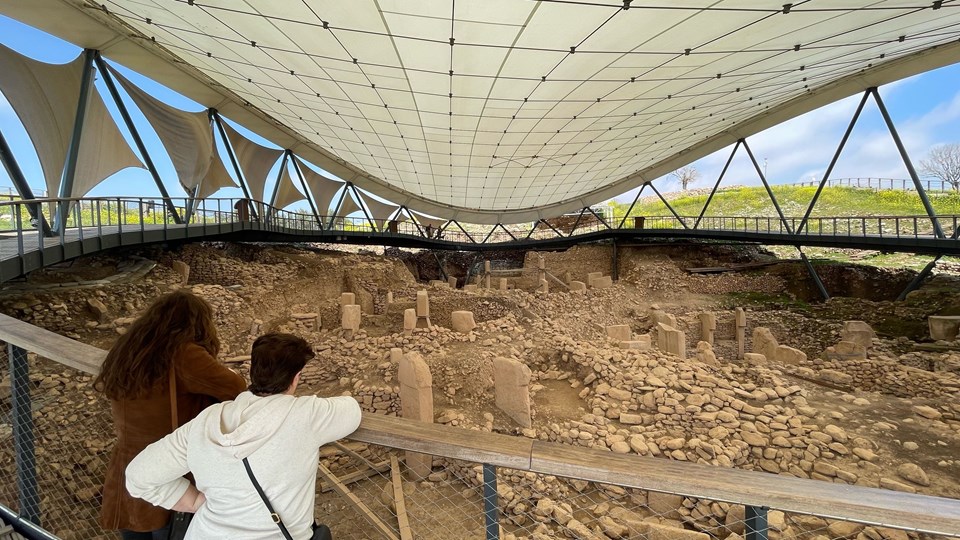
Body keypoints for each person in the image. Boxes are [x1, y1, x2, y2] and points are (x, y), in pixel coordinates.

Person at [125, 333, 363, 539]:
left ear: (253, 372)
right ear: (296, 378)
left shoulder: (207, 420)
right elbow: (352, 410)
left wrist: (194, 502)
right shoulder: (306, 415)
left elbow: (138, 475)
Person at [96, 290, 247, 540]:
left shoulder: (128, 350)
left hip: (127, 465)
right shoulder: (185, 354)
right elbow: (235, 387)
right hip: (171, 469)